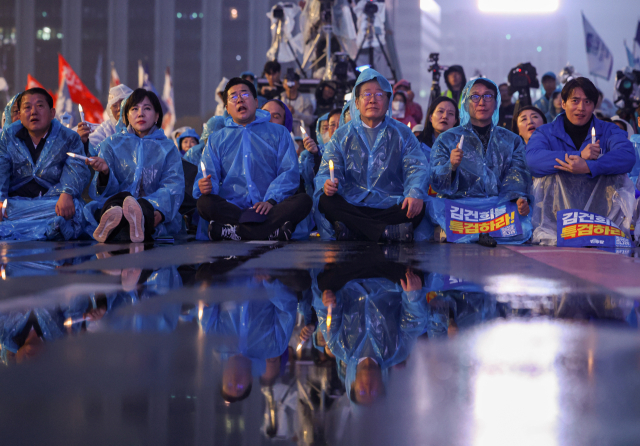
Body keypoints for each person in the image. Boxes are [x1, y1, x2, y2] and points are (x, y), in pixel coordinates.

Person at [314, 68, 429, 242]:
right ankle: (384, 232)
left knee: (418, 205)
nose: (373, 100)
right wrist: (327, 184)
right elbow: (327, 171)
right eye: (367, 94)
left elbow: (417, 168)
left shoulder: (402, 133)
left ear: (388, 101)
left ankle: (355, 230)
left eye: (379, 95)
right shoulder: (342, 135)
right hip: (353, 204)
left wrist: (414, 192)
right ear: (357, 102)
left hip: (390, 205)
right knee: (326, 201)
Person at [194, 78, 312, 241]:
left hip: (270, 208)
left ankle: (232, 232)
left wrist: (270, 200)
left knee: (303, 201)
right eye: (233, 97)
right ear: (227, 108)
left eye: (244, 94)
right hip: (233, 208)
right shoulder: (216, 139)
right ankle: (269, 232)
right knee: (204, 203)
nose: (240, 99)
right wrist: (205, 186)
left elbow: (289, 173)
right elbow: (207, 175)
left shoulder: (278, 133)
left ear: (256, 102)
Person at [526, 77, 636, 245]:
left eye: (587, 102)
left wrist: (589, 166)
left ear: (594, 105)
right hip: (554, 225)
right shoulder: (545, 132)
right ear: (563, 103)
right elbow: (532, 160)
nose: (581, 108)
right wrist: (578, 156)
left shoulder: (608, 130)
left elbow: (627, 157)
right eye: (575, 101)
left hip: (600, 223)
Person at [428, 78, 532, 245]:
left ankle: (470, 234)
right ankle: (481, 234)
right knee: (435, 208)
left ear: (496, 102)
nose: (482, 102)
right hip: (461, 207)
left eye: (488, 96)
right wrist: (451, 167)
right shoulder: (447, 139)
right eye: (475, 96)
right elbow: (436, 180)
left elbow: (517, 173)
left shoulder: (511, 140)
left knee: (525, 227)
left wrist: (518, 198)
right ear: (466, 102)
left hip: (496, 207)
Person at [84, 88, 185, 243]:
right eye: (134, 109)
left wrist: (161, 211)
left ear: (157, 116)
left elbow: (173, 185)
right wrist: (105, 173)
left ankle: (123, 226)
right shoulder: (111, 144)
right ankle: (131, 224)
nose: (140, 114)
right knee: (120, 202)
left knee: (142, 207)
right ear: (126, 116)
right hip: (116, 202)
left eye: (147, 108)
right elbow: (103, 193)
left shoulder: (168, 148)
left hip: (151, 206)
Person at [0, 88, 90, 241]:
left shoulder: (69, 137)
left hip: (54, 202)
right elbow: (1, 169)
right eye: (27, 107)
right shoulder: (7, 137)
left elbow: (76, 168)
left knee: (74, 207)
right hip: (16, 204)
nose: (33, 112)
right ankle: (52, 228)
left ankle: (47, 226)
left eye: (40, 106)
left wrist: (66, 193)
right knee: (6, 210)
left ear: (52, 113)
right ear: (20, 115)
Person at [78, 84, 133, 157]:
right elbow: (92, 150)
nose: (119, 108)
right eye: (114, 105)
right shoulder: (106, 128)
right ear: (110, 109)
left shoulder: (141, 126)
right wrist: (84, 142)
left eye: (123, 103)